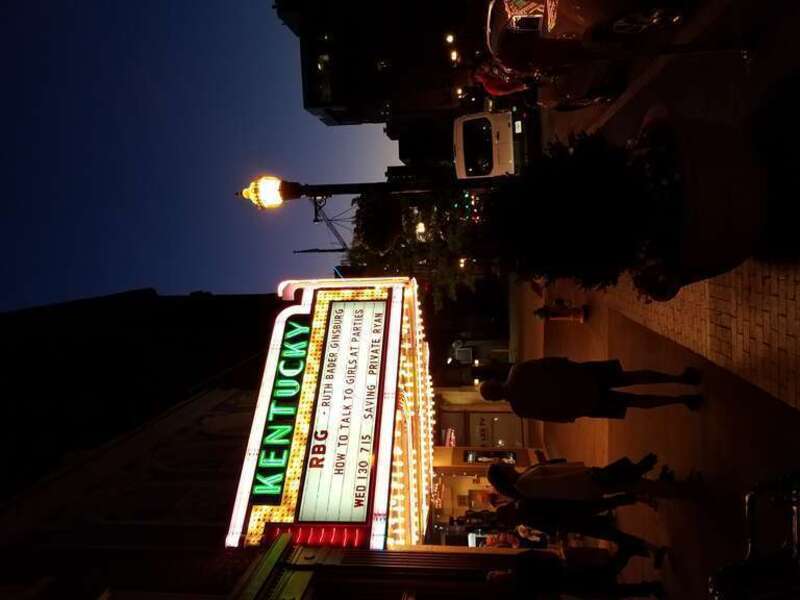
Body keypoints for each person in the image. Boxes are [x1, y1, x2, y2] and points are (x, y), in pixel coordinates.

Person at [480, 357, 703, 422]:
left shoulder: (520, 408)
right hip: (582, 377)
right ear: (495, 383)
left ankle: (681, 400)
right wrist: (572, 367)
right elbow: (553, 363)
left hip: (583, 403)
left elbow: (552, 416)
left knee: (633, 401)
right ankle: (680, 378)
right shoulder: (518, 371)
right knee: (631, 377)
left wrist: (574, 412)